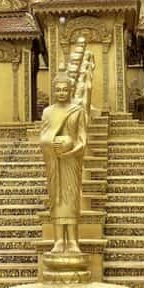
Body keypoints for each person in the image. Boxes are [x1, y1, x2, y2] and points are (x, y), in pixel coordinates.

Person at [40, 71, 87, 255]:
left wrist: (71, 148)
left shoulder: (78, 111)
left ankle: (73, 241)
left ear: (70, 91)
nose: (61, 93)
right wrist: (53, 143)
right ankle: (59, 240)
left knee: (71, 199)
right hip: (55, 161)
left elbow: (83, 139)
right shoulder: (48, 112)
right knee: (57, 199)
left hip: (71, 161)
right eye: (58, 90)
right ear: (54, 91)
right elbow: (43, 137)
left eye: (65, 90)